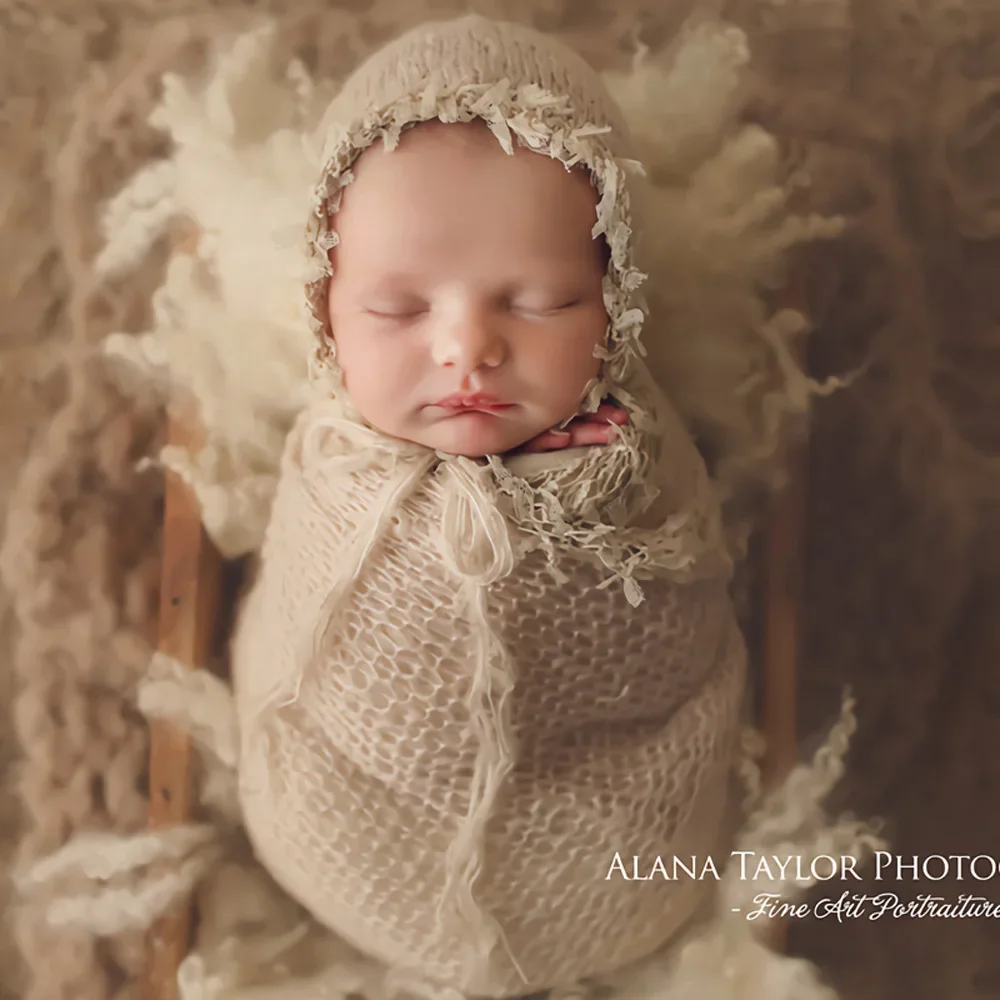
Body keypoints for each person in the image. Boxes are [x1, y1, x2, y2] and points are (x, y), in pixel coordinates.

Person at [226, 14, 748, 1000]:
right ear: (325, 308)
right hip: (354, 828)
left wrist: (585, 497)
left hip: (608, 847)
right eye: (398, 309)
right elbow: (305, 612)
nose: (467, 348)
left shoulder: (634, 451)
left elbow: (672, 611)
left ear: (615, 292)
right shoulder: (330, 457)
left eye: (541, 300)